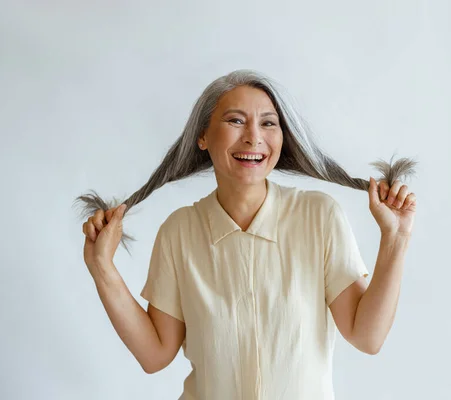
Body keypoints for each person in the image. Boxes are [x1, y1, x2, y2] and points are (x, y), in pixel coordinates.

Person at [76, 69, 418, 399]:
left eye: (268, 123)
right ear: (203, 136)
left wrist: (396, 238)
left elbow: (367, 337)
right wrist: (102, 268)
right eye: (235, 120)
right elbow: (155, 354)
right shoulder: (179, 231)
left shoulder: (319, 216)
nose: (254, 136)